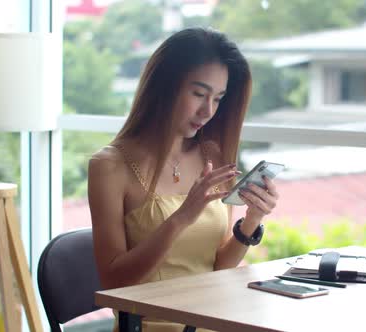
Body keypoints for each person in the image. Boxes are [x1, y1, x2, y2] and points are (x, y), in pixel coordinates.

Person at [88, 28, 279, 332]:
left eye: (218, 98)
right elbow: (113, 283)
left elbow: (217, 268)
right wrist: (181, 218)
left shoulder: (211, 154)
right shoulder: (109, 167)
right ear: (164, 86)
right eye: (199, 94)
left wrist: (251, 220)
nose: (208, 111)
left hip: (212, 319)